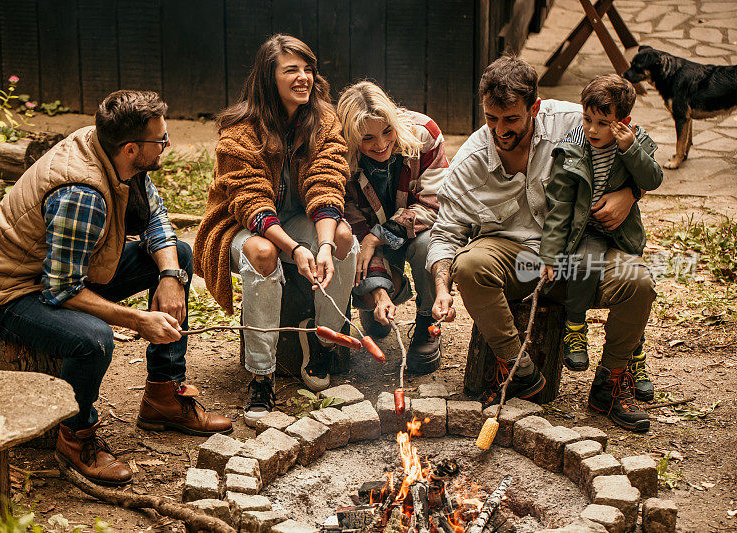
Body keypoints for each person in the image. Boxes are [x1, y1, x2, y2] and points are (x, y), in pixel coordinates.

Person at [0, 90, 233, 487]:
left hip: (63, 270)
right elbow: (61, 290)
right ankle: (76, 437)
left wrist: (170, 278)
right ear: (132, 148)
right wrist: (139, 320)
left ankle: (163, 396)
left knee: (177, 253)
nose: (167, 146)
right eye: (161, 141)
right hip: (15, 292)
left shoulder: (115, 153)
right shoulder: (83, 193)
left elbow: (156, 218)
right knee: (94, 339)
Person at [427, 55, 657, 433]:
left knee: (638, 281)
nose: (499, 130)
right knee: (469, 265)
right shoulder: (471, 159)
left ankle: (611, 383)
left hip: (577, 253)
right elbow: (446, 231)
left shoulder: (573, 121)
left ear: (534, 107)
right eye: (491, 118)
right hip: (516, 260)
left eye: (511, 119)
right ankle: (517, 368)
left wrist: (631, 192)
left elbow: (639, 146)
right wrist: (441, 288)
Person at [193, 35, 357, 428]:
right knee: (265, 253)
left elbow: (326, 181)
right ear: (270, 77)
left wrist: (322, 244)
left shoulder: (324, 119)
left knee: (344, 239)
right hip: (239, 226)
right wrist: (297, 249)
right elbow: (252, 206)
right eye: (291, 71)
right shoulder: (239, 131)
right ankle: (261, 375)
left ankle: (323, 342)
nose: (303, 78)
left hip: (298, 217)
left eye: (308, 69)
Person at [540, 74, 662, 408]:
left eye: (603, 123)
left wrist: (630, 149)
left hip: (622, 234)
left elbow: (653, 179)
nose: (593, 130)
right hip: (586, 229)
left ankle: (635, 360)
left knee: (635, 290)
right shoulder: (573, 147)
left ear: (623, 122)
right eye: (588, 119)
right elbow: (559, 206)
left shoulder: (635, 142)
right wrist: (550, 256)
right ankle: (575, 330)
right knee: (583, 263)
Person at [336, 81, 449, 373]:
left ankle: (427, 322)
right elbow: (355, 230)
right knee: (371, 295)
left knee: (427, 244)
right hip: (367, 242)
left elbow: (434, 205)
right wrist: (379, 291)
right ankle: (377, 299)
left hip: (415, 232)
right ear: (351, 138)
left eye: (388, 131)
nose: (381, 144)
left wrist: (379, 235)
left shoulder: (425, 134)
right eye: (368, 138)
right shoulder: (339, 158)